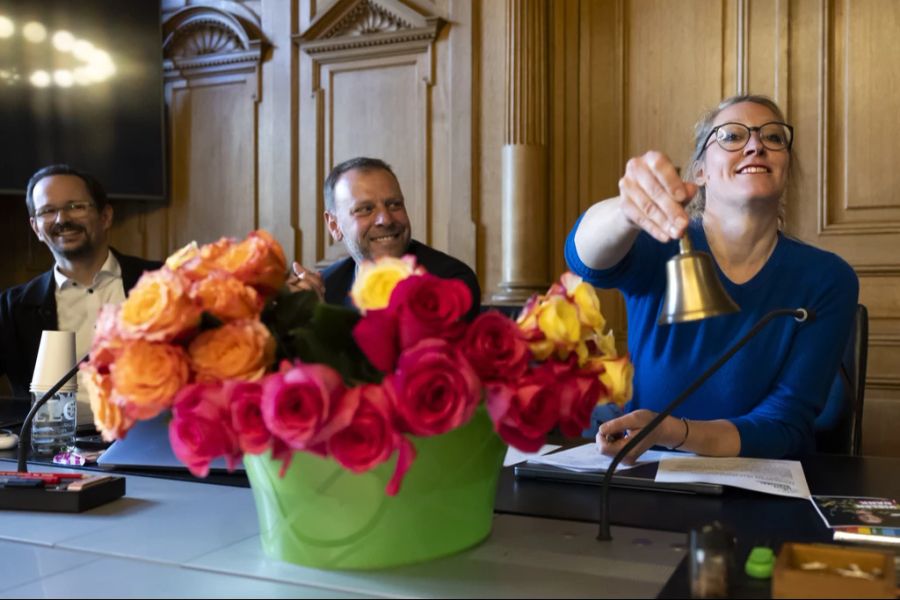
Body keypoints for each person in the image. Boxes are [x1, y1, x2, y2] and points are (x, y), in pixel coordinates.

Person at [565, 95, 858, 461]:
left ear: (786, 166)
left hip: (760, 487)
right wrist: (627, 210)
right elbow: (585, 261)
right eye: (733, 137)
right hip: (644, 475)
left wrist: (676, 432)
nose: (756, 145)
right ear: (700, 171)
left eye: (774, 138)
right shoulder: (662, 243)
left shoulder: (828, 278)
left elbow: (785, 426)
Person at [0, 165, 162, 424]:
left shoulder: (163, 282)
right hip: (52, 452)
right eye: (47, 211)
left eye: (75, 206)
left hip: (149, 442)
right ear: (36, 228)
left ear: (105, 216)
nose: (62, 219)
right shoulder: (13, 307)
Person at [289, 157, 481, 319]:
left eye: (394, 205)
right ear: (334, 225)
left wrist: (324, 320)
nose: (386, 220)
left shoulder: (451, 282)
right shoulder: (327, 288)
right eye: (365, 209)